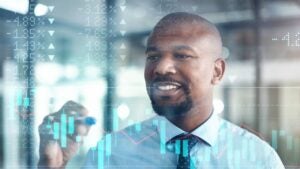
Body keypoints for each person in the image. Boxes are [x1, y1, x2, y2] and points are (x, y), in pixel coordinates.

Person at [38, 12, 285, 169]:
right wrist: (50, 166)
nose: (161, 67)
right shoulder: (110, 154)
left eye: (182, 55)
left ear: (217, 71)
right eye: (153, 56)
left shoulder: (258, 158)